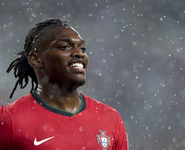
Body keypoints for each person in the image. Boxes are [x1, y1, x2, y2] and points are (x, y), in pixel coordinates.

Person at [0, 18, 128, 150]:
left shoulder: (110, 118)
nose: (79, 53)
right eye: (64, 47)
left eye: (83, 48)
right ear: (36, 60)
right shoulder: (9, 120)